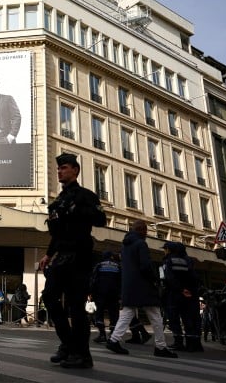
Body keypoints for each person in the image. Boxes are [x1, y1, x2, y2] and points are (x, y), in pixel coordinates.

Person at [39, 153, 106, 369]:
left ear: (75, 170)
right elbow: (56, 234)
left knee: (76, 306)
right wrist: (48, 254)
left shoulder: (86, 195)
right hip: (62, 255)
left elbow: (101, 219)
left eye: (64, 168)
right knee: (49, 297)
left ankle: (83, 355)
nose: (60, 171)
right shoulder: (58, 200)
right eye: (58, 168)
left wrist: (78, 211)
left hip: (80, 255)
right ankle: (68, 344)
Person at [105, 220, 177, 358]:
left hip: (129, 285)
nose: (146, 233)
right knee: (155, 315)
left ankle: (114, 340)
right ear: (142, 230)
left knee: (127, 313)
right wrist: (154, 279)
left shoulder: (125, 245)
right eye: (145, 230)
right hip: (143, 285)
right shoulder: (141, 244)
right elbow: (145, 266)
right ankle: (161, 346)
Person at [162, 241, 203, 352]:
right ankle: (193, 344)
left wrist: (180, 289)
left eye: (165, 249)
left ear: (169, 250)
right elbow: (193, 276)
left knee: (174, 319)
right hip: (189, 294)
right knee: (189, 319)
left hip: (174, 294)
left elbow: (169, 278)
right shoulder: (188, 260)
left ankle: (178, 342)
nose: (164, 251)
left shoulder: (168, 260)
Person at [90, 250, 121, 343]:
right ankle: (112, 335)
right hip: (114, 293)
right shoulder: (118, 265)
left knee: (99, 313)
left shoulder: (99, 265)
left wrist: (91, 292)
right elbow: (121, 280)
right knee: (114, 314)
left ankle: (102, 334)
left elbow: (93, 279)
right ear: (111, 256)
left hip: (101, 293)